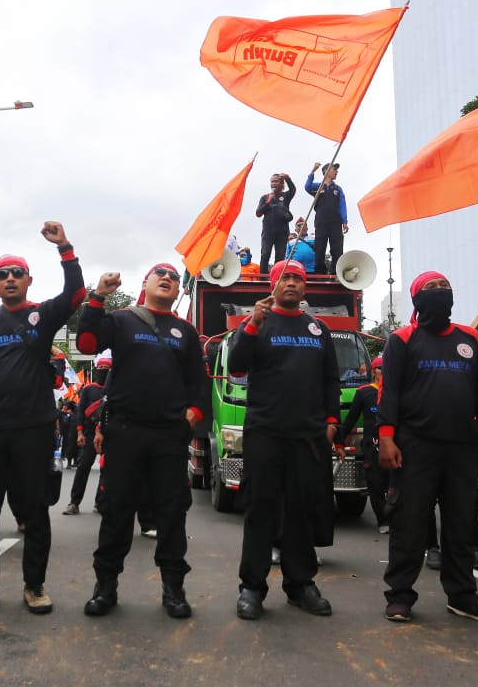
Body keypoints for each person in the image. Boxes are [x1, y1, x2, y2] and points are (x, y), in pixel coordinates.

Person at [0, 222, 85, 614]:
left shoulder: (42, 315)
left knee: (35, 511)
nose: (10, 278)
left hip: (34, 429)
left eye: (17, 273)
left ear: (28, 280)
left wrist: (65, 247)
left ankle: (34, 586)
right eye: (2, 274)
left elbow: (76, 294)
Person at [75, 262, 210, 618]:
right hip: (125, 433)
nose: (167, 278)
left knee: (172, 513)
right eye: (159, 274)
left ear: (177, 290)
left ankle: (173, 589)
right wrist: (98, 297)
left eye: (173, 277)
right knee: (116, 511)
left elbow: (199, 382)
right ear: (146, 283)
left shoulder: (186, 331)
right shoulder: (122, 320)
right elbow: (87, 343)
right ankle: (105, 588)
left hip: (169, 437)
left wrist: (194, 413)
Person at [377, 271, 478, 625]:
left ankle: (463, 596)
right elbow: (389, 393)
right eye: (431, 288)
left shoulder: (471, 339)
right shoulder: (402, 340)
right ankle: (400, 595)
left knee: (462, 524)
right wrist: (386, 437)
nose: (439, 291)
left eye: (444, 286)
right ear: (417, 299)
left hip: (462, 447)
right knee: (409, 523)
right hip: (414, 446)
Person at [228, 259, 339, 620]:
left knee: (301, 511)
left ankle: (300, 583)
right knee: (260, 509)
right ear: (273, 285)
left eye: (297, 278)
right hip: (265, 432)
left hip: (307, 435)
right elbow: (236, 366)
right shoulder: (257, 322)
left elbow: (330, 380)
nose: (291, 283)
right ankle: (252, 587)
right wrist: (252, 325)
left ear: (305, 287)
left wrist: (332, 422)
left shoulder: (318, 329)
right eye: (285, 278)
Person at [336, 356, 387, 532]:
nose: (385, 373)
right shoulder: (364, 392)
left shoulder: (396, 392)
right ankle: (383, 521)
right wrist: (339, 442)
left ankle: (397, 519)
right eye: (381, 369)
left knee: (396, 486)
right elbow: (351, 419)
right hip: (372, 446)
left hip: (393, 445)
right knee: (375, 485)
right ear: (374, 372)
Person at [63, 353, 109, 515]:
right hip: (89, 434)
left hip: (109, 435)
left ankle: (100, 502)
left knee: (106, 470)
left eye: (107, 368)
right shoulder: (89, 389)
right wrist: (80, 432)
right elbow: (80, 411)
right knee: (83, 467)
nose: (103, 370)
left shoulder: (115, 389)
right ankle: (74, 503)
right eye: (101, 367)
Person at [303, 162, 348, 275]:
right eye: (334, 169)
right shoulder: (318, 187)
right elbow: (307, 187)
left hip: (335, 221)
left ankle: (335, 272)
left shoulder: (337, 188)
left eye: (337, 170)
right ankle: (320, 272)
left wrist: (344, 221)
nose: (336, 172)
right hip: (321, 221)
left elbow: (342, 205)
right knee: (320, 247)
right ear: (325, 171)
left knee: (337, 248)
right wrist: (313, 171)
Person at [255, 172, 296, 270]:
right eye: (272, 182)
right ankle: (263, 276)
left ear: (281, 184)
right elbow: (258, 214)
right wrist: (268, 201)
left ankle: (277, 275)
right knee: (265, 254)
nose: (273, 183)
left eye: (276, 181)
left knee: (280, 256)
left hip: (282, 231)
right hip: (268, 231)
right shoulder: (265, 197)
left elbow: (293, 190)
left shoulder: (285, 196)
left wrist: (287, 178)